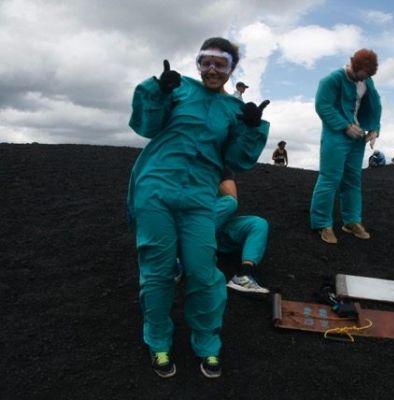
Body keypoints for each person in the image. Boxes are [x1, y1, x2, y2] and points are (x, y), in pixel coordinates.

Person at [127, 37, 270, 380]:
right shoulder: (179, 90)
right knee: (159, 270)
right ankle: (158, 339)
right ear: (198, 64)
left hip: (199, 197)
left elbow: (236, 159)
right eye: (206, 62)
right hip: (156, 188)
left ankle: (206, 340)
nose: (212, 69)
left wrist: (250, 129)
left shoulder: (233, 111)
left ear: (231, 70)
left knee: (202, 271)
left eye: (220, 64)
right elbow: (146, 126)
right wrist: (158, 92)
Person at [310, 49, 382, 244]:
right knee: (329, 178)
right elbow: (323, 106)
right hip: (335, 136)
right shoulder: (331, 80)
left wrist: (375, 128)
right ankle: (322, 223)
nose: (364, 80)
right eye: (363, 75)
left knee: (352, 180)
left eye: (368, 77)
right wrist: (345, 126)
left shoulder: (366, 80)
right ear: (353, 66)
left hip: (358, 137)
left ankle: (351, 221)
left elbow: (375, 103)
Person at [215, 168, 269, 293]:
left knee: (258, 224)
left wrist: (214, 172)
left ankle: (243, 276)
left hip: (219, 224)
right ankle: (178, 257)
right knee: (228, 203)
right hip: (192, 225)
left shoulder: (220, 166)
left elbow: (231, 197)